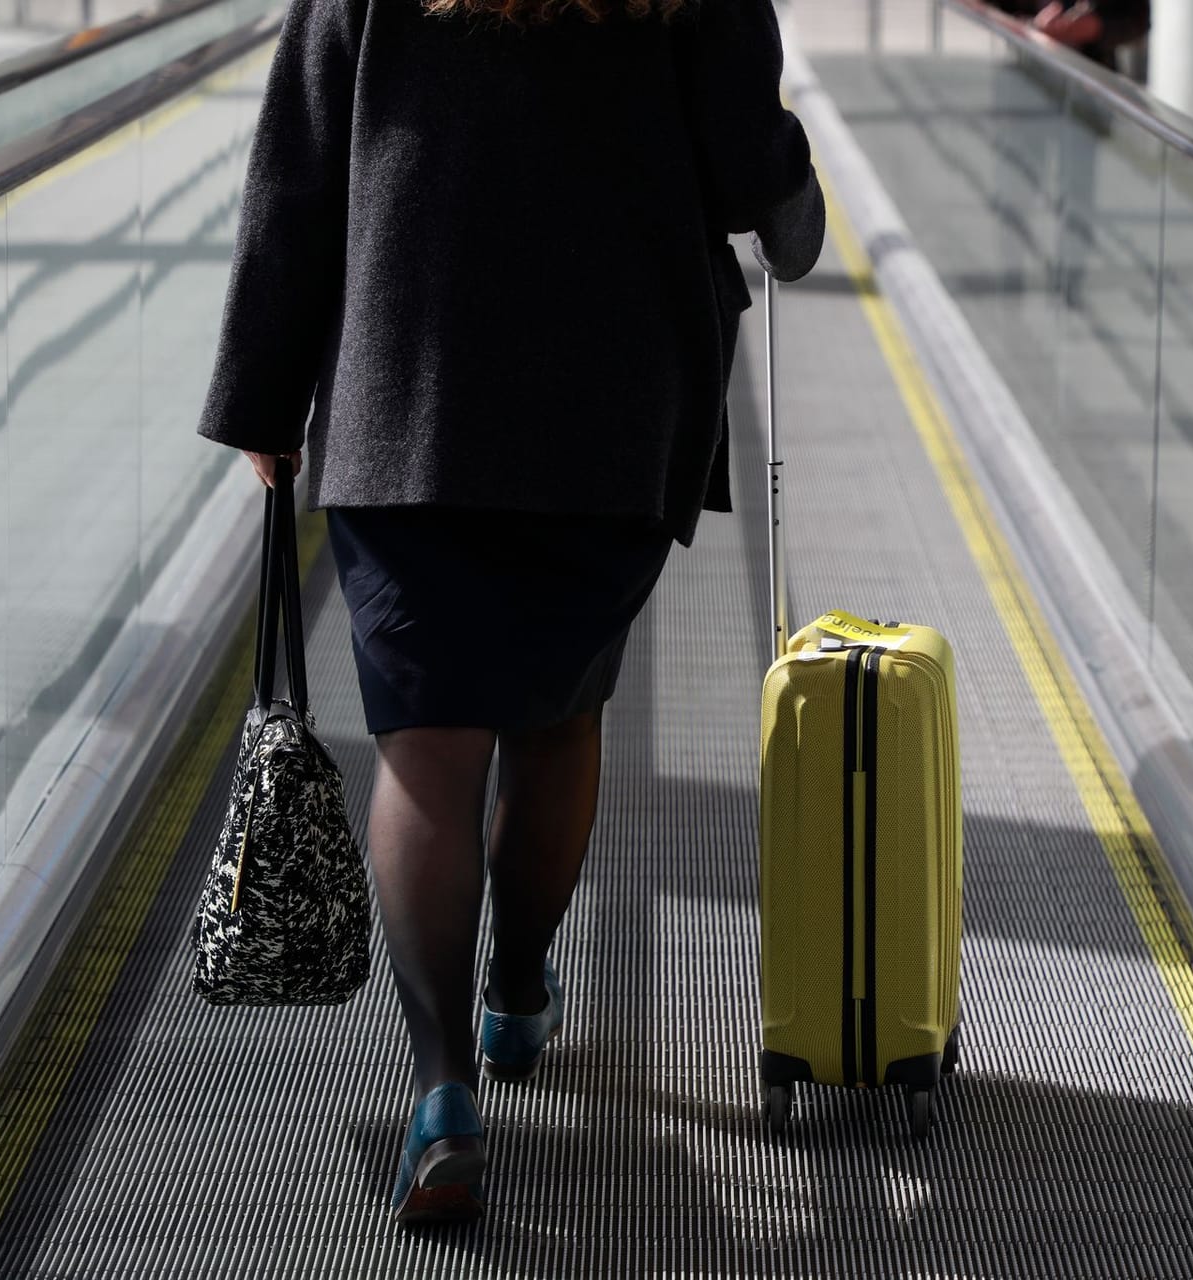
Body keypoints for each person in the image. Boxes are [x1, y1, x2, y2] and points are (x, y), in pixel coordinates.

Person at [195, 0, 823, 1226]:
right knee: (560, 716)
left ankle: (441, 1093)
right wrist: (795, 218)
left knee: (427, 754)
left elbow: (300, 160)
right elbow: (749, 154)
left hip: (405, 394)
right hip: (610, 407)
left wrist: (262, 393)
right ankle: (522, 985)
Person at [990, 0, 1148, 73]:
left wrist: (1097, 28)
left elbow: (1139, 19)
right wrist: (1030, 28)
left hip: (1089, 82)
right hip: (1022, 75)